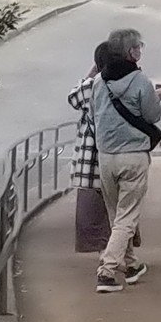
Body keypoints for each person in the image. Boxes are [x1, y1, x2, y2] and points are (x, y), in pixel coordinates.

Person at [90, 27, 161, 293]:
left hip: (106, 156)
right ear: (130, 52)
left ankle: (131, 265)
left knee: (117, 216)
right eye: (138, 47)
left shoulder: (99, 82)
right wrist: (156, 98)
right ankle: (107, 271)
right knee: (127, 216)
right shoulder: (139, 81)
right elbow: (153, 115)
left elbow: (93, 115)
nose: (140, 51)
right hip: (133, 155)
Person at [68, 43, 111, 254]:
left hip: (89, 157)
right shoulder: (124, 83)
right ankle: (118, 256)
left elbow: (73, 97)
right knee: (117, 207)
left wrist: (91, 71)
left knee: (92, 210)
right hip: (115, 153)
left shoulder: (91, 86)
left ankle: (104, 255)